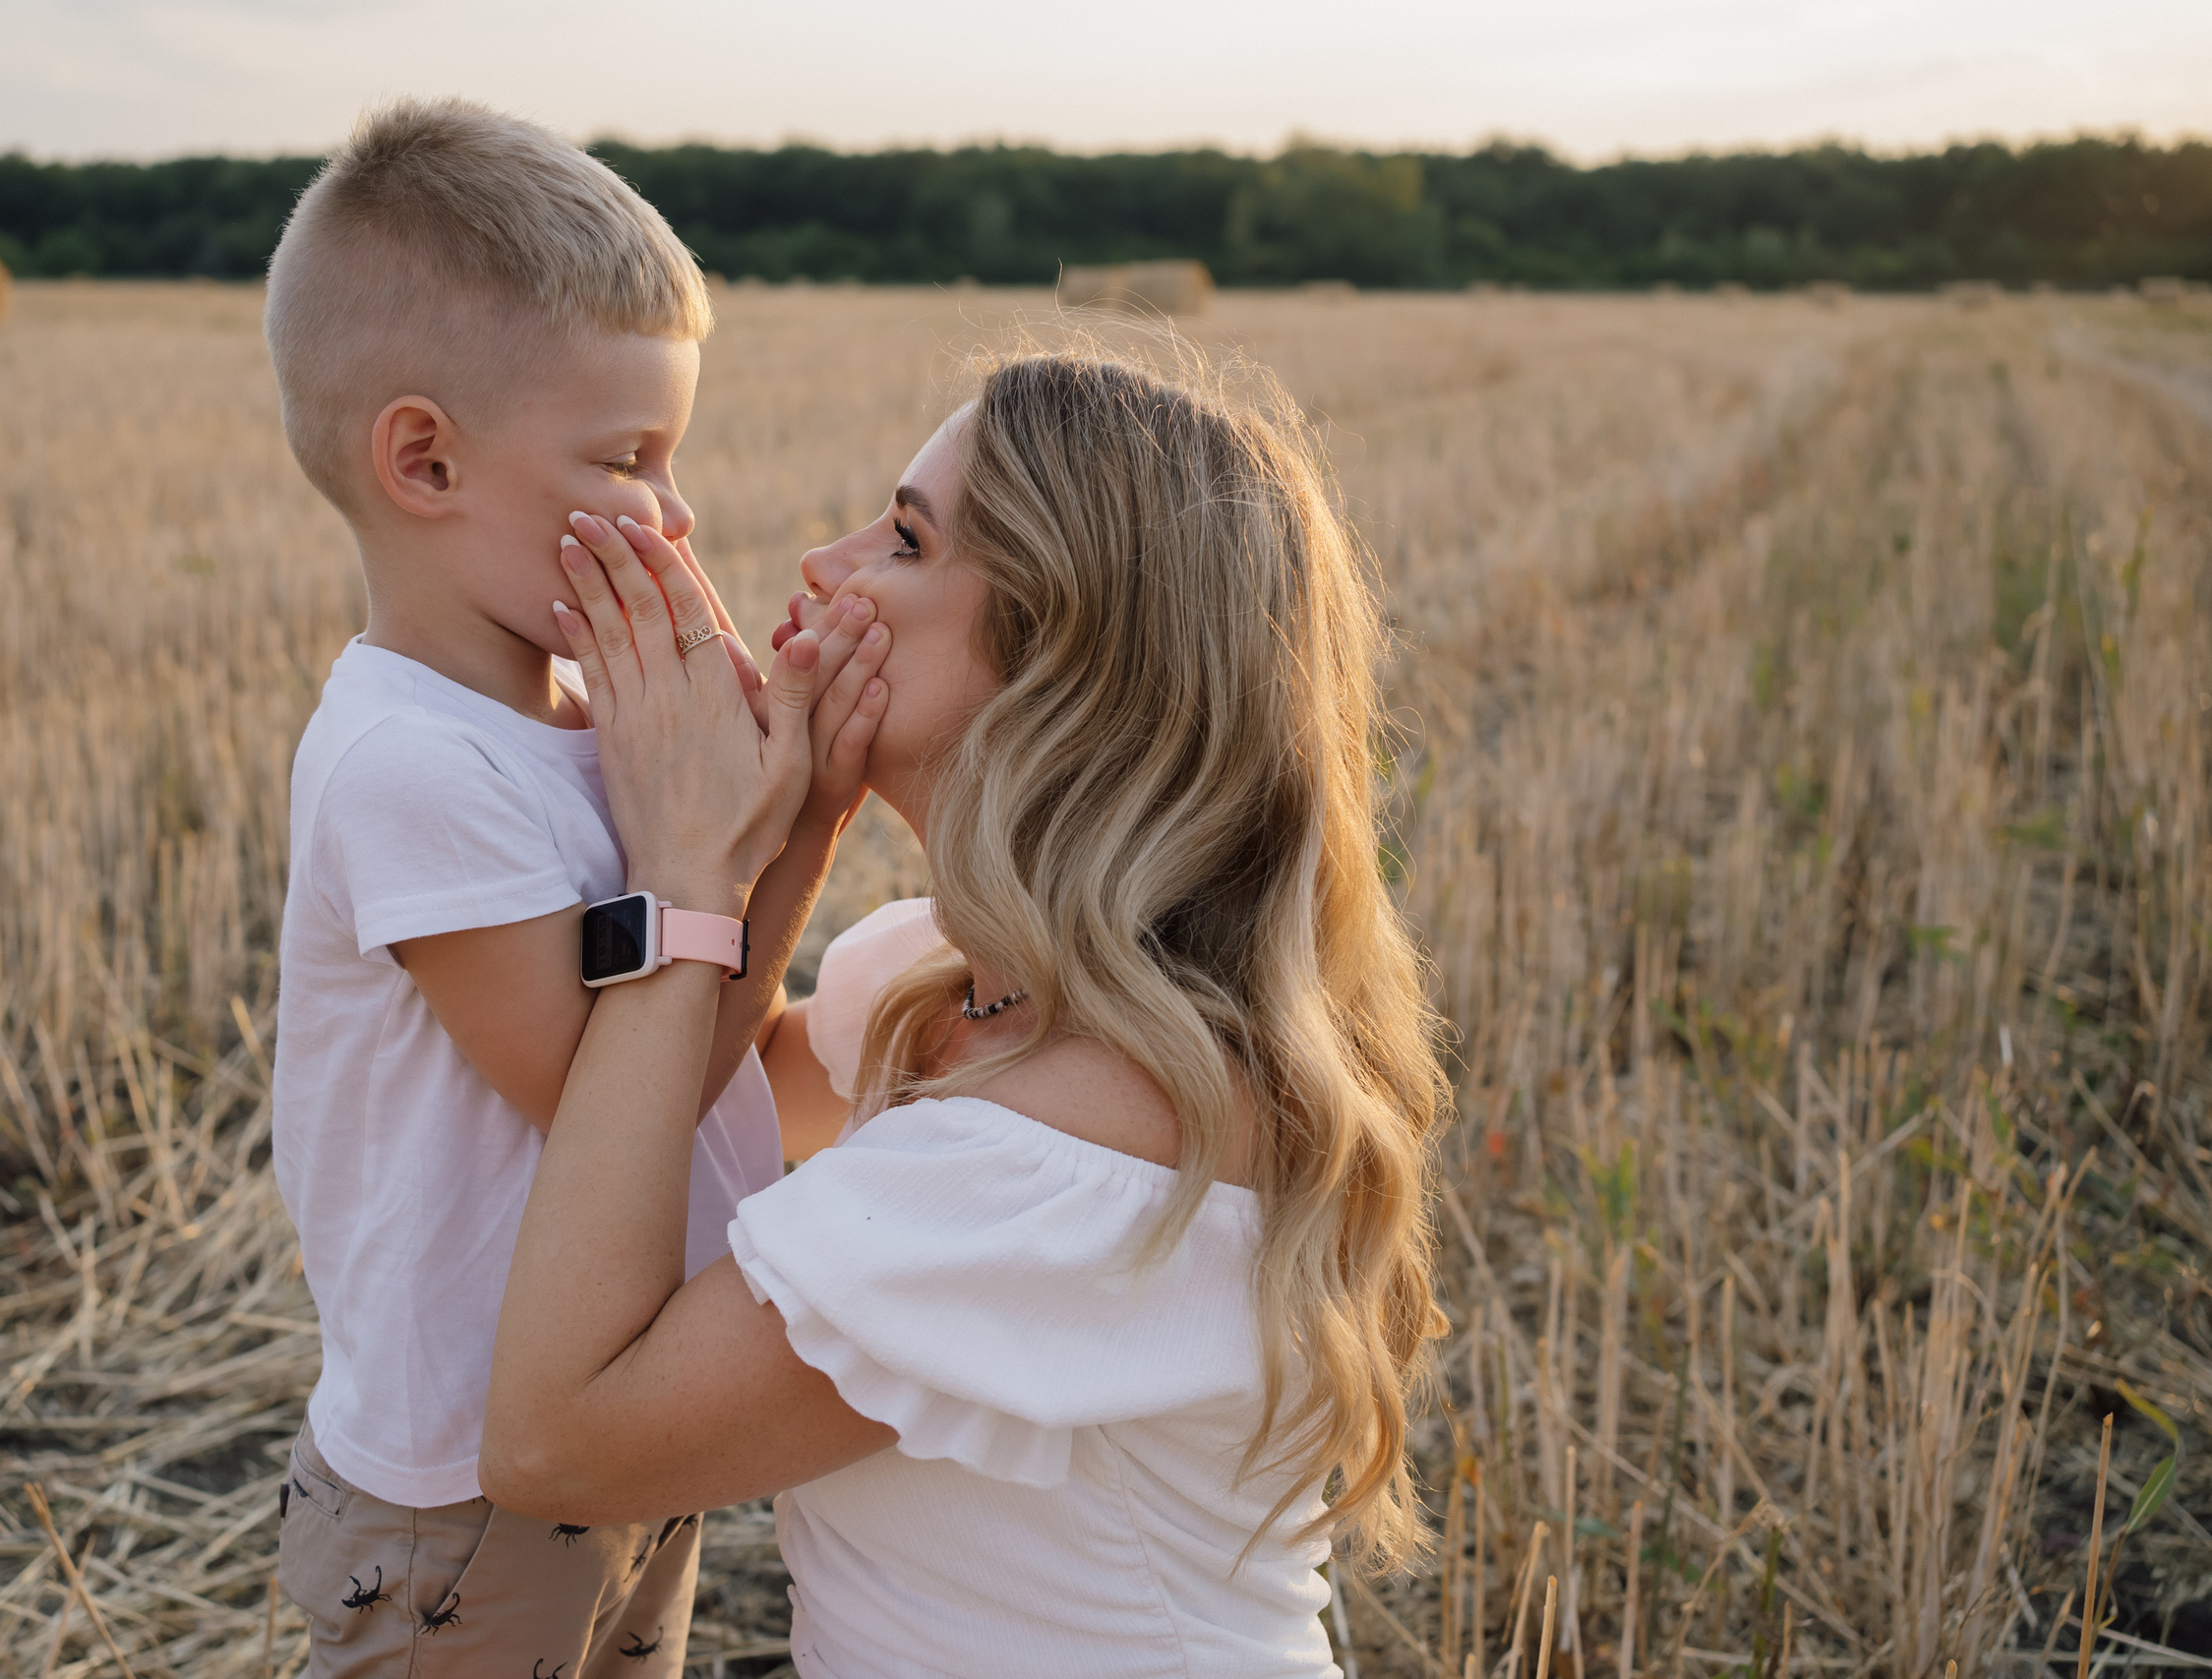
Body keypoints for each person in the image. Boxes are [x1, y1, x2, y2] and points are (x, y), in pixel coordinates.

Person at [484, 347, 1450, 1676]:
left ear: (1065, 664)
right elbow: (703, 1095)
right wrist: (793, 836)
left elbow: (556, 1443)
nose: (825, 565)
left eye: (903, 537)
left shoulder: (1079, 1151)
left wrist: (687, 877)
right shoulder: (958, 994)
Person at [261, 97, 889, 1676]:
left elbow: (690, 1050)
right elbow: (612, 1089)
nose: (673, 515)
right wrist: (727, 842)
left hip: (604, 1420)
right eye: (628, 459)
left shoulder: (579, 737)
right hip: (457, 1499)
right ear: (426, 459)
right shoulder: (412, 770)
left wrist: (795, 822)